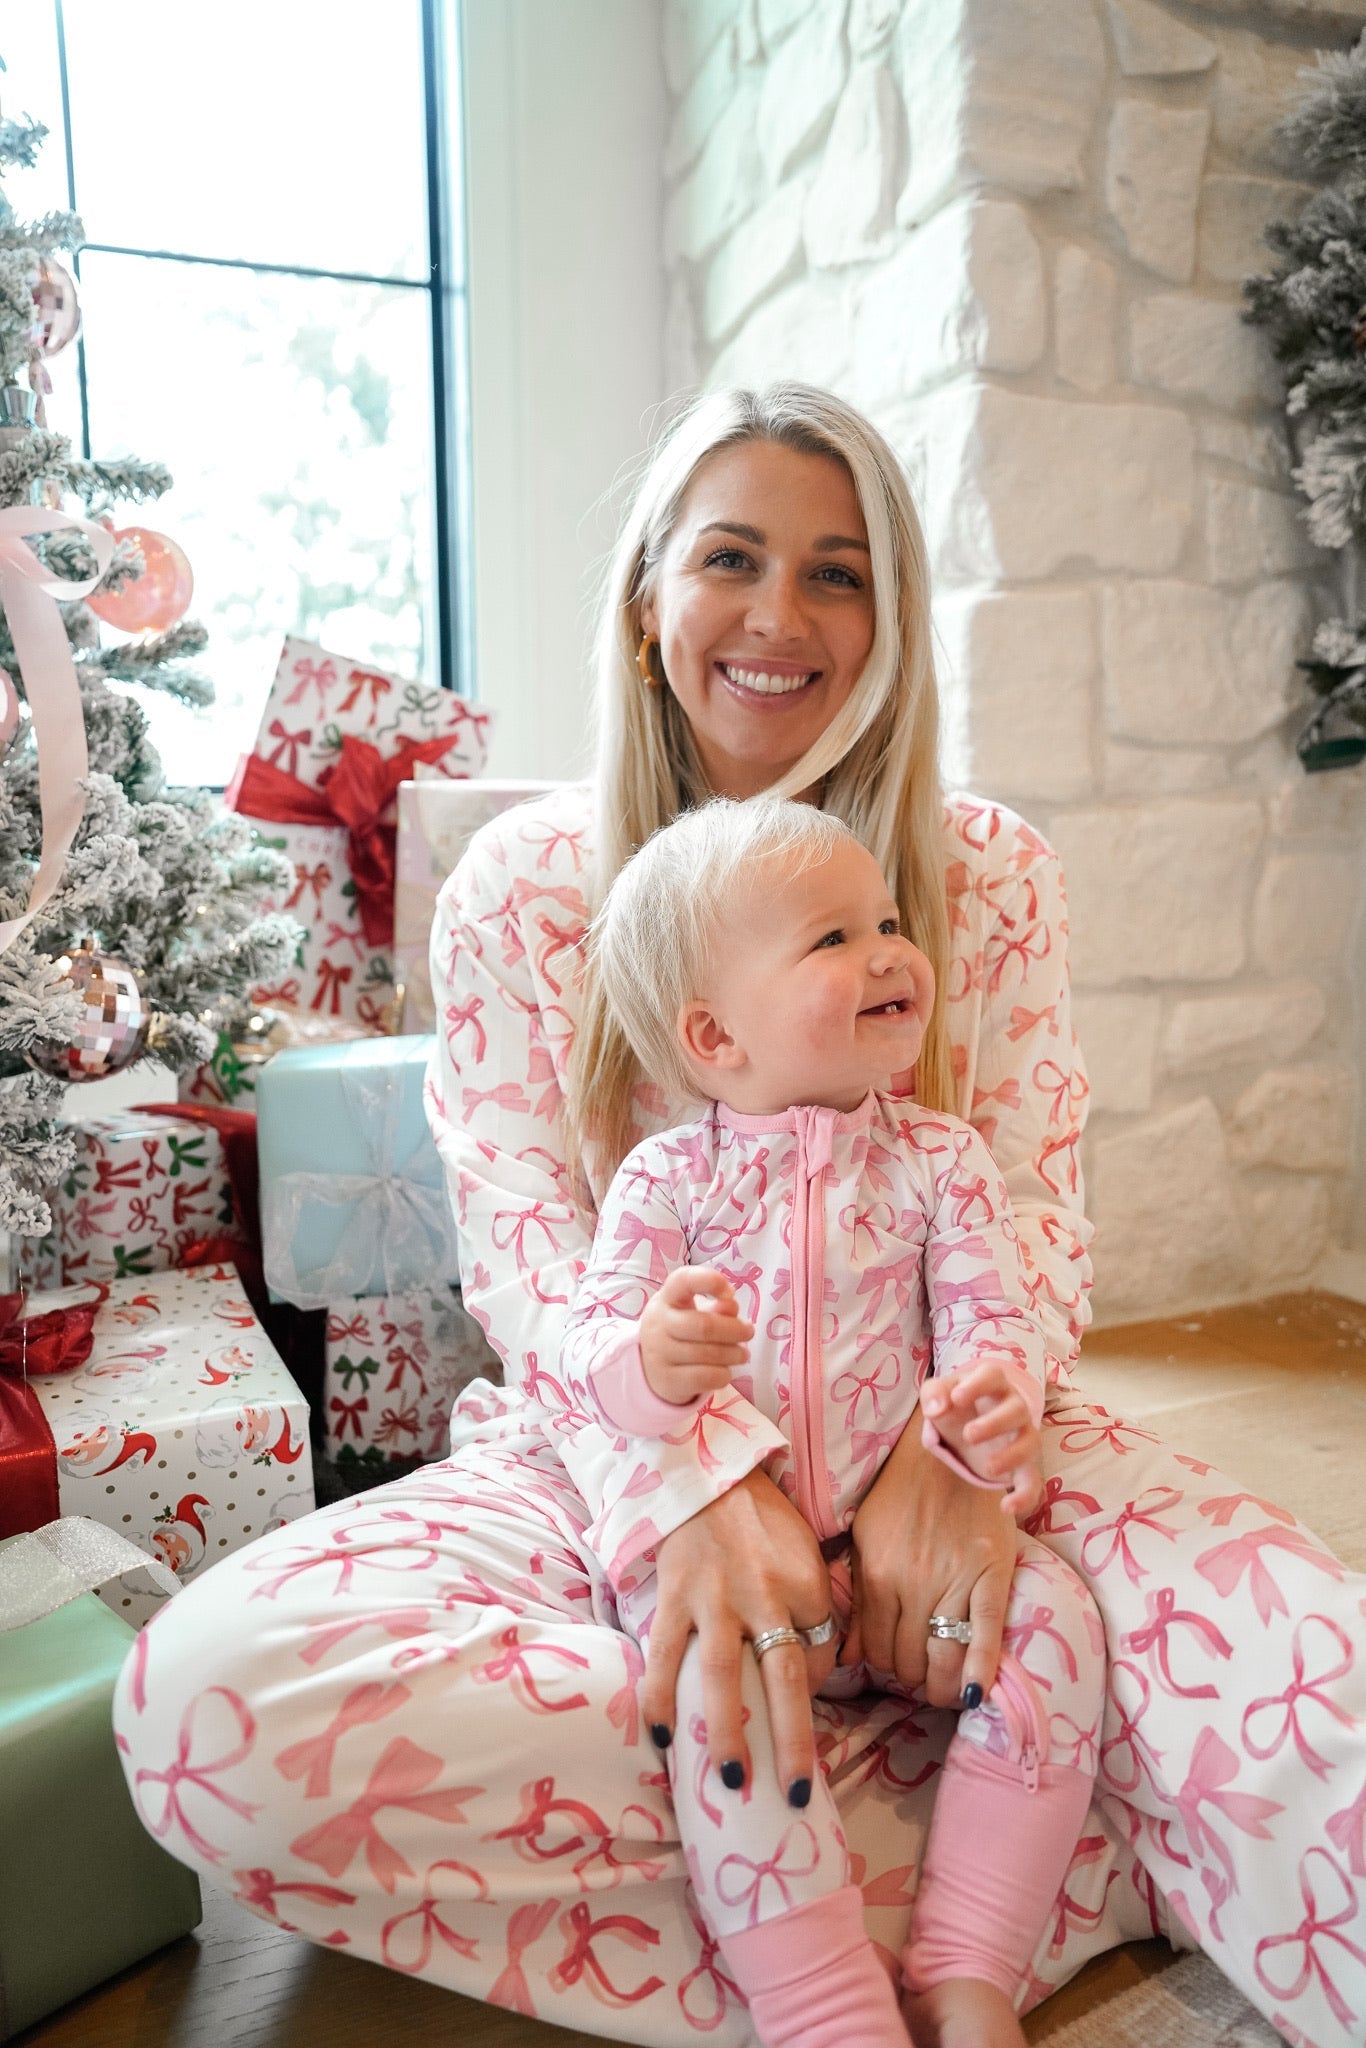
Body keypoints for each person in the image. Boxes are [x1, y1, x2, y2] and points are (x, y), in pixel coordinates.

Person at [114, 385, 1365, 2048]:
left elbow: (1029, 1215)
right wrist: (689, 1488)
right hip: (599, 1453)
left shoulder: (986, 871)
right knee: (210, 1701)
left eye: (837, 573)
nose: (780, 614)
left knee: (1321, 1682)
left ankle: (889, 1838)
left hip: (972, 1454)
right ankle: (1033, 1835)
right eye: (731, 559)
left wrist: (956, 1463)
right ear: (650, 600)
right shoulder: (523, 887)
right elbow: (534, 1263)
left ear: (889, 620)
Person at [559, 793, 1105, 2048]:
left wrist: (987, 1405)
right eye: (833, 937)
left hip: (907, 1565)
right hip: (750, 1577)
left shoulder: (939, 1159)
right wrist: (653, 1359)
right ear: (714, 1032)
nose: (891, 952)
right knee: (713, 1692)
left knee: (1062, 1627)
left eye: (889, 922)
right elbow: (592, 1356)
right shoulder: (665, 1178)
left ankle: (970, 1960)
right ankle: (820, 2000)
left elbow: (992, 1315)